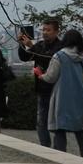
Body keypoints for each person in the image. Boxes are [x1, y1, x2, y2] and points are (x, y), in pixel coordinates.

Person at [42, 29, 83, 157]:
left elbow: (51, 77)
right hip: (80, 95)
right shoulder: (82, 57)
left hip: (62, 96)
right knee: (79, 128)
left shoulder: (59, 56)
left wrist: (41, 75)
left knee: (60, 128)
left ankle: (62, 157)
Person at [17, 17, 64, 147]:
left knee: (57, 122)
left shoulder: (61, 47)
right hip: (42, 89)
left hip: (57, 90)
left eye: (48, 30)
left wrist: (32, 46)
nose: (45, 32)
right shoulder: (40, 45)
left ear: (56, 32)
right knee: (41, 122)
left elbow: (50, 59)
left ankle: (59, 148)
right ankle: (45, 146)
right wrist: (21, 44)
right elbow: (25, 57)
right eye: (43, 30)